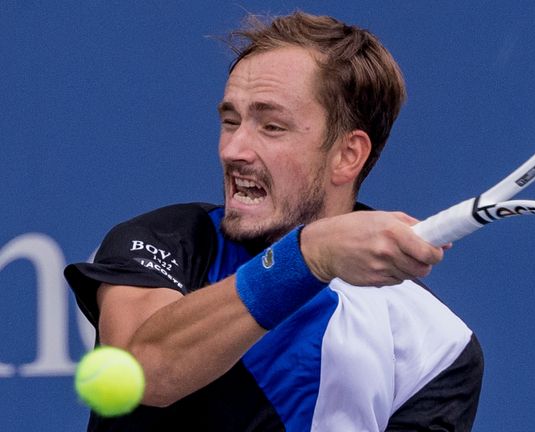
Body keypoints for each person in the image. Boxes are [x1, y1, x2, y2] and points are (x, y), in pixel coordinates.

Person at [65, 11, 483, 431]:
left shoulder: (437, 345)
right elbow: (141, 371)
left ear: (347, 155)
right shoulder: (170, 241)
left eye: (271, 126)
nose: (234, 150)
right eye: (231, 121)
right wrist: (307, 256)